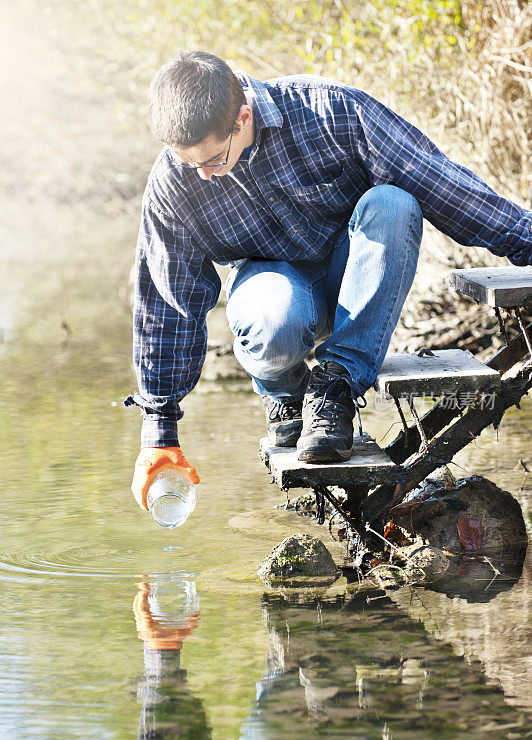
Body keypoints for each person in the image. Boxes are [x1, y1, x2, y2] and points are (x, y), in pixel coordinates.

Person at [127, 50, 532, 511]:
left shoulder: (332, 111)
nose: (203, 175)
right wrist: (159, 428)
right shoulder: (174, 183)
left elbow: (440, 182)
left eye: (214, 160)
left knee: (395, 203)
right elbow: (166, 301)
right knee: (274, 317)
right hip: (273, 290)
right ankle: (285, 393)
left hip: (354, 281)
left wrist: (527, 243)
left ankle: (335, 387)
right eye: (189, 163)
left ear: (243, 117)